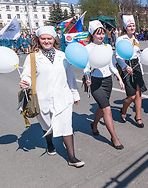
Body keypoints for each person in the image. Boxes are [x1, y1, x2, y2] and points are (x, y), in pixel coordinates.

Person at [19, 26, 84, 168]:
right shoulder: (33, 57)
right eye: (43, 38)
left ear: (54, 39)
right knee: (47, 125)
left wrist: (75, 94)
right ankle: (49, 143)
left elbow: (70, 77)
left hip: (63, 97)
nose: (47, 41)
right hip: (43, 99)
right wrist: (25, 82)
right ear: (38, 39)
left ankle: (72, 157)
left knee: (67, 126)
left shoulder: (63, 55)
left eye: (49, 38)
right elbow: (27, 75)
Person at [84, 20, 125, 150]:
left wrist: (119, 79)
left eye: (102, 33)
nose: (101, 36)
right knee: (107, 108)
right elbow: (86, 67)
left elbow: (112, 65)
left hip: (108, 81)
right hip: (95, 83)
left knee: (102, 107)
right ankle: (114, 137)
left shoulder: (107, 47)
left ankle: (94, 125)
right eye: (98, 33)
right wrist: (87, 78)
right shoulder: (88, 48)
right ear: (92, 34)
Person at [116, 15, 147, 128]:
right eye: (129, 26)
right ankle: (123, 110)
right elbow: (118, 56)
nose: (132, 27)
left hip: (136, 66)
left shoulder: (136, 40)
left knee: (139, 93)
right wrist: (125, 67)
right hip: (126, 66)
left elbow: (138, 57)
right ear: (125, 28)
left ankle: (138, 117)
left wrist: (141, 71)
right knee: (131, 96)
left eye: (133, 25)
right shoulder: (121, 39)